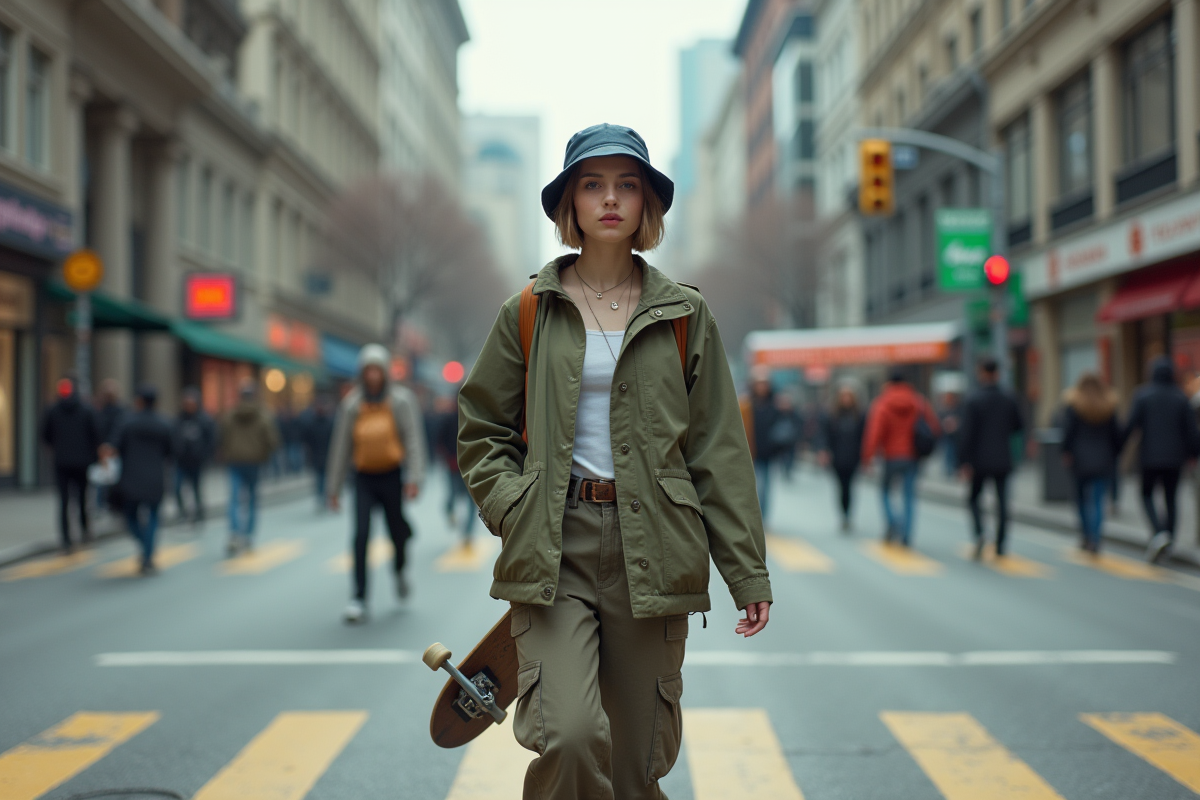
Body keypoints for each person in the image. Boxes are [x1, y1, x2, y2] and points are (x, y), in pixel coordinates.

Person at [458, 123, 772, 800]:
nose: (609, 199)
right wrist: (512, 503)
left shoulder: (686, 314)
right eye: (592, 184)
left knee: (634, 766)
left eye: (626, 185)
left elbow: (719, 447)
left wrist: (746, 571)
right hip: (554, 547)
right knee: (569, 735)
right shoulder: (529, 312)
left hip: (654, 548)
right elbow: (479, 425)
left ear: (646, 205)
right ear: (569, 204)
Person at [326, 344, 427, 623]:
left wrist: (415, 478)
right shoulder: (351, 405)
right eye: (367, 370)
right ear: (361, 373)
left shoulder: (401, 401)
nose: (372, 376)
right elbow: (341, 447)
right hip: (364, 478)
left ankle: (399, 570)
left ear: (384, 372)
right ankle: (358, 597)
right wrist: (332, 489)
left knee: (397, 532)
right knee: (361, 536)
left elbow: (413, 440)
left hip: (392, 475)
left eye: (377, 370)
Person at [1121, 356, 1200, 562]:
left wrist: (1118, 448)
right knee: (1171, 499)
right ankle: (1169, 540)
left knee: (1146, 494)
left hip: (1149, 458)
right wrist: (1194, 454)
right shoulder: (1181, 397)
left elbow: (1131, 426)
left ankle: (1158, 533)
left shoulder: (1142, 395)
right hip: (1175, 459)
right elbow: (1191, 432)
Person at [861, 368, 940, 546]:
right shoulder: (918, 401)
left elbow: (874, 433)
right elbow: (934, 427)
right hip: (913, 456)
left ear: (888, 383)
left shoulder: (883, 403)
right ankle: (906, 534)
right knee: (909, 496)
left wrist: (867, 457)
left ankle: (894, 521)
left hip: (891, 456)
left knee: (886, 492)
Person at [958, 358, 1025, 559]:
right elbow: (1018, 426)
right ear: (997, 374)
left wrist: (964, 462)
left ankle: (980, 533)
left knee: (973, 499)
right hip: (1003, 458)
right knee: (1003, 502)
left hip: (979, 460)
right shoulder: (1009, 398)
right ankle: (1001, 543)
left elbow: (966, 433)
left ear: (981, 373)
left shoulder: (973, 399)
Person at [111, 385, 173, 575]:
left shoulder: (128, 422)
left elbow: (115, 446)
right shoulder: (164, 424)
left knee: (129, 516)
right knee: (153, 516)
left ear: (139, 401)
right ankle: (148, 553)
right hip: (155, 478)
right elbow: (172, 451)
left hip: (131, 478)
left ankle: (143, 545)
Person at [217, 382, 280, 556]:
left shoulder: (230, 415)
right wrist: (265, 454)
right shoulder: (263, 416)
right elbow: (272, 440)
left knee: (234, 499)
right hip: (255, 462)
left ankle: (234, 533)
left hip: (235, 461)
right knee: (252, 500)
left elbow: (222, 436)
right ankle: (248, 536)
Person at [1062, 372, 1121, 554]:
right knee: (1097, 501)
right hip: (1103, 459)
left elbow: (1067, 432)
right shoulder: (1108, 406)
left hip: (1080, 459)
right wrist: (1114, 454)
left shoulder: (1074, 406)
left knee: (1080, 500)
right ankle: (1095, 538)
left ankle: (1086, 535)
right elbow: (1117, 435)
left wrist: (1066, 452)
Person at [41, 377, 101, 551]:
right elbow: (96, 435)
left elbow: (45, 435)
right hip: (82, 462)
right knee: (82, 499)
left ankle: (66, 539)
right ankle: (84, 531)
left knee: (64, 501)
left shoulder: (52, 410)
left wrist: (56, 449)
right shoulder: (87, 410)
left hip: (61, 462)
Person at [818, 383, 866, 532]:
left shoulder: (859, 415)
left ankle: (848, 514)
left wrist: (866, 457)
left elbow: (864, 436)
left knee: (850, 487)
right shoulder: (832, 415)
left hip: (853, 457)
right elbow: (825, 436)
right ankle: (843, 514)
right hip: (837, 458)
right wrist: (824, 452)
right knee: (840, 487)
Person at [432, 393, 475, 543]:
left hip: (471, 467)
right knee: (452, 495)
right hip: (453, 466)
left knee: (472, 501)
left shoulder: (474, 420)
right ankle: (450, 512)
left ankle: (468, 533)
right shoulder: (449, 419)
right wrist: (447, 458)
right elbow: (439, 441)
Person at [172, 387, 215, 525]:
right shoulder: (179, 419)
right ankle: (183, 513)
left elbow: (212, 439)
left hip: (197, 461)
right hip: (181, 461)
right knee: (177, 488)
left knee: (196, 488)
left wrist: (205, 455)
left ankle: (199, 512)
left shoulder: (204, 419)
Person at [742, 368, 780, 521]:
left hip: (768, 453)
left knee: (765, 488)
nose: (762, 387)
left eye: (765, 384)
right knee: (751, 487)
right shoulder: (746, 404)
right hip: (750, 452)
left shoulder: (776, 404)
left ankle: (762, 517)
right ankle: (752, 515)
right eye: (759, 384)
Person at [300, 396, 336, 512]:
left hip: (322, 455)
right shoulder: (325, 422)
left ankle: (323, 497)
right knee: (322, 478)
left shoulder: (325, 422)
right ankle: (323, 497)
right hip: (321, 454)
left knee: (323, 478)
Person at [939, 392, 962, 477]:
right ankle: (948, 470)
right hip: (946, 435)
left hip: (955, 435)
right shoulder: (944, 409)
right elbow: (939, 420)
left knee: (954, 452)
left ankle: (953, 469)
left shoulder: (957, 409)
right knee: (948, 452)